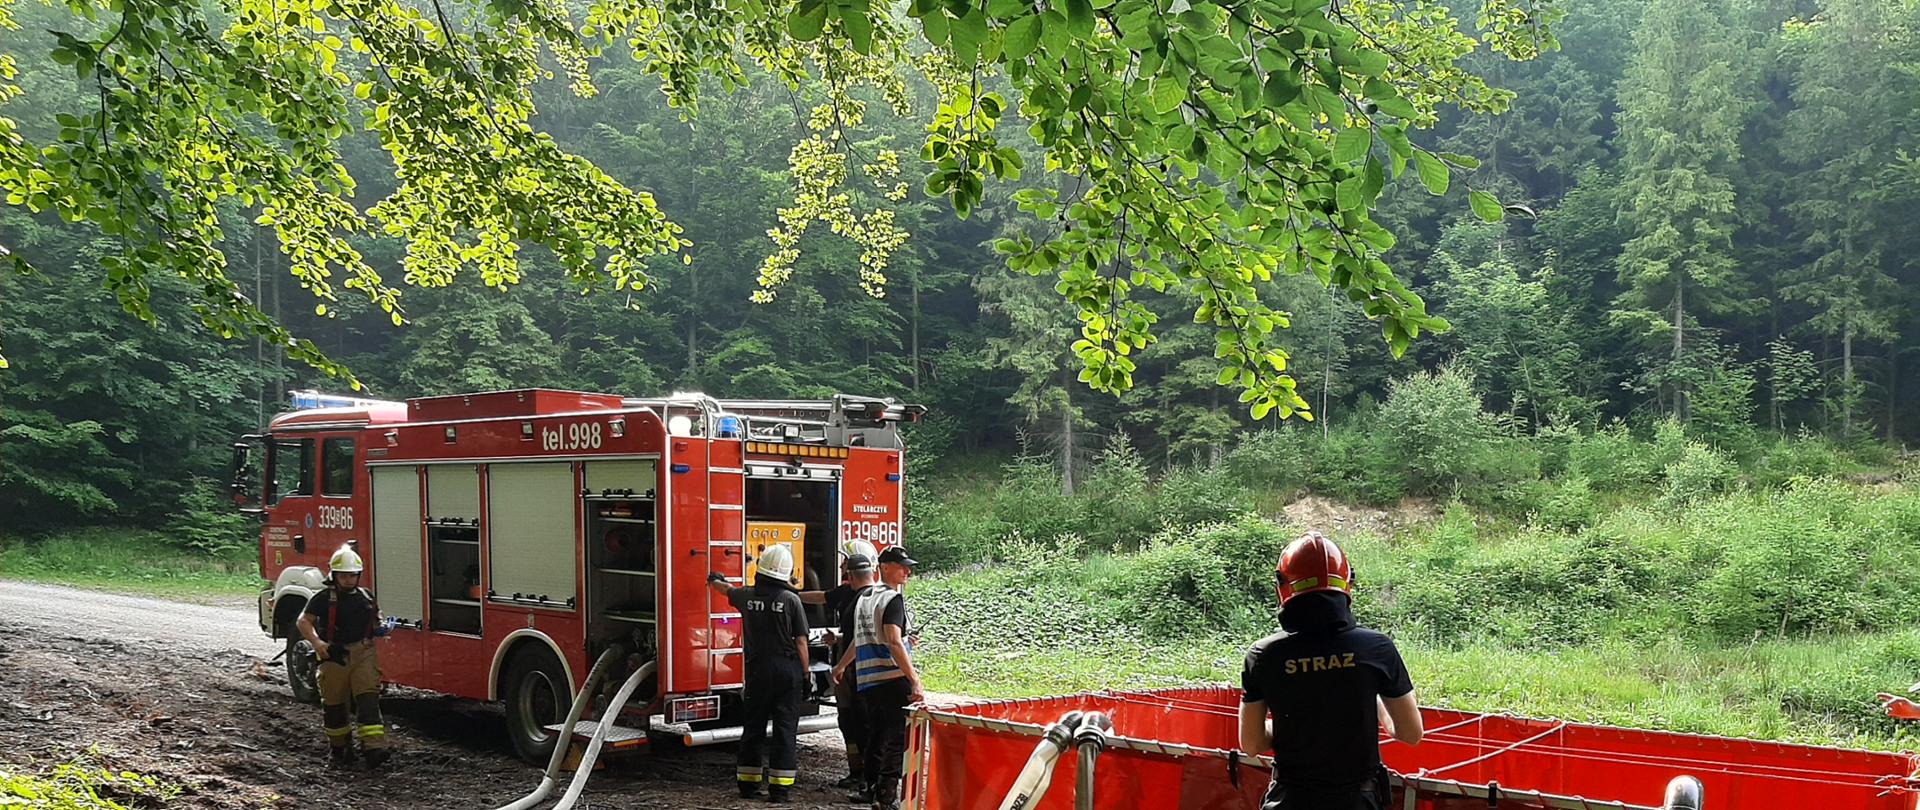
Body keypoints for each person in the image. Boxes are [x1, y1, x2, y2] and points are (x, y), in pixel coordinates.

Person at [1239, 532, 1422, 810]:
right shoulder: (1376, 649)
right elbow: (1410, 732)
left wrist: (1301, 721)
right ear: (1346, 584)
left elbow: (1251, 743)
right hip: (1356, 801)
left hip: (1290, 801)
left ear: (1284, 586)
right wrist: (1371, 703)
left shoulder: (1264, 655)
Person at [707, 543, 809, 803]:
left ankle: (748, 784)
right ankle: (780, 789)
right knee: (785, 729)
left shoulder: (746, 596)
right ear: (785, 574)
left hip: (757, 670)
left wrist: (715, 579)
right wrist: (806, 673)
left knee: (753, 726)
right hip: (787, 669)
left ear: (761, 570)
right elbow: (800, 642)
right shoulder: (791, 600)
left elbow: (726, 589)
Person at [833, 545, 924, 810]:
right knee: (897, 738)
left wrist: (840, 666)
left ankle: (870, 788)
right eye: (902, 566)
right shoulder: (893, 599)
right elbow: (894, 642)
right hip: (893, 678)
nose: (907, 571)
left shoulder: (865, 598)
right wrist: (915, 680)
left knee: (875, 735)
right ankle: (886, 797)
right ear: (885, 568)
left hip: (868, 681)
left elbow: (860, 640)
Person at [297, 544, 391, 768]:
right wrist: (318, 643)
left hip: (364, 652)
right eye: (344, 575)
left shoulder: (366, 595)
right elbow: (303, 621)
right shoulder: (323, 598)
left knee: (368, 699)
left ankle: (374, 749)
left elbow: (376, 614)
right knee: (335, 705)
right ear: (334, 575)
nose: (349, 579)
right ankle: (339, 749)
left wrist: (381, 625)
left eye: (353, 575)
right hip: (334, 655)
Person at [824, 540, 878, 789]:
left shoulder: (871, 599)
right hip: (849, 671)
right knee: (847, 721)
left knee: (862, 722)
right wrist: (839, 639)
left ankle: (868, 776)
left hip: (859, 671)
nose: (841, 565)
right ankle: (857, 772)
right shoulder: (850, 594)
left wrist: (842, 664)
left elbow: (867, 637)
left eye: (846, 560)